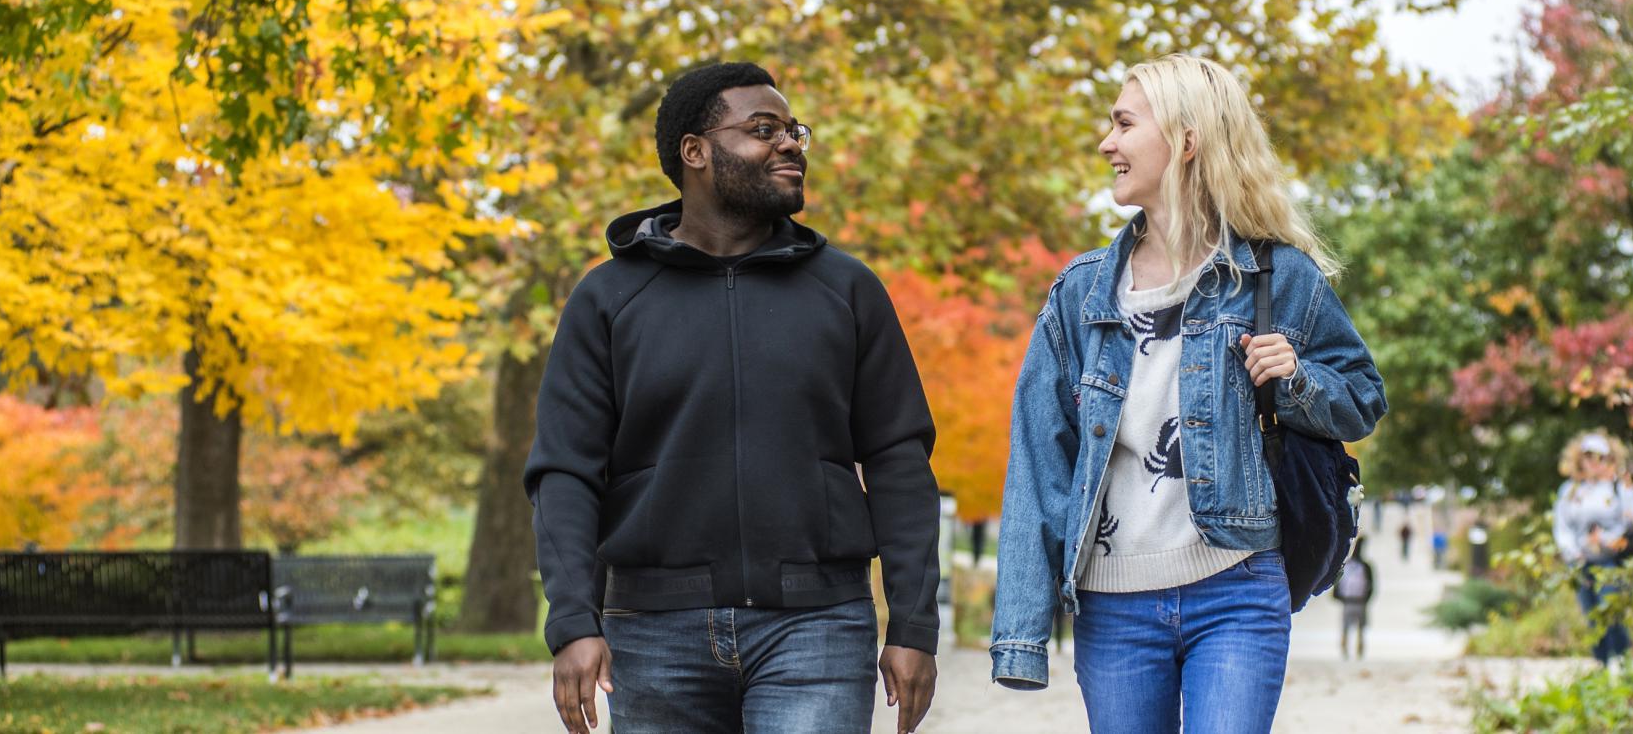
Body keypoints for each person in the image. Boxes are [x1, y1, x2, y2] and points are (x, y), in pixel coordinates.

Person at [527, 62, 940, 734]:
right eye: (763, 129)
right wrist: (573, 622)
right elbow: (565, 471)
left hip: (818, 627)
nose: (790, 144)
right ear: (695, 151)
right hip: (652, 632)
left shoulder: (847, 290)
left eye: (793, 130)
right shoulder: (607, 299)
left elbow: (899, 459)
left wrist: (913, 626)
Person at [989, 53, 1387, 733]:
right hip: (1113, 603)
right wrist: (1022, 632)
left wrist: (1296, 378)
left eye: (1123, 124)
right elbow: (1037, 461)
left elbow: (1363, 398)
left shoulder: (1278, 278)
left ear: (1185, 139)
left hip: (1236, 587)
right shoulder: (1082, 293)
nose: (1105, 142)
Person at [1551, 431, 1633, 667]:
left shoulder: (1619, 487)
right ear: (1579, 459)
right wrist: (1572, 552)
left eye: (1600, 457)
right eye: (1588, 457)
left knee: (1611, 612)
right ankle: (1602, 666)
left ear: (1610, 459)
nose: (1594, 462)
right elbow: (1562, 527)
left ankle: (1623, 664)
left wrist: (1607, 538)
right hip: (1581, 562)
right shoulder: (1571, 490)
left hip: (1610, 560)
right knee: (1591, 616)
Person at [1333, 538, 1377, 660]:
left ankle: (1347, 648)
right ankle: (1357, 649)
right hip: (1359, 600)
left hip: (1349, 601)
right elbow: (1372, 584)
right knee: (1359, 628)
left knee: (1348, 627)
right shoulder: (1365, 566)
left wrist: (1338, 596)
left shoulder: (1347, 565)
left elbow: (1338, 582)